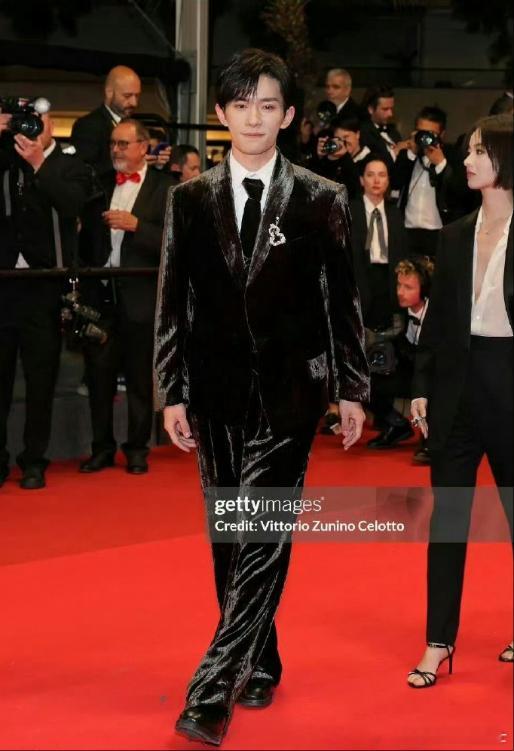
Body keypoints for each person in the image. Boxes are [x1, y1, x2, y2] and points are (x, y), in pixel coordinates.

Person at [154, 48, 369, 745]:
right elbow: (173, 301)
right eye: (242, 104)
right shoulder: (188, 199)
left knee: (263, 535)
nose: (254, 117)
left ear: (289, 115)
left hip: (290, 391)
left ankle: (212, 689)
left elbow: (343, 300)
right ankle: (261, 656)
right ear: (221, 113)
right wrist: (170, 389)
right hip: (213, 390)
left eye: (268, 105)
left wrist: (352, 387)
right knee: (231, 533)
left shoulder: (321, 197)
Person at [408, 113, 513, 688]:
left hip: (510, 389)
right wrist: (421, 386)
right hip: (455, 392)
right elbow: (437, 322)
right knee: (448, 519)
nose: (466, 160)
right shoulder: (453, 235)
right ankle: (438, 642)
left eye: (477, 151)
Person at [0, 109, 92, 489]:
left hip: (44, 288)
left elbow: (73, 205)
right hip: (4, 286)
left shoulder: (69, 165)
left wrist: (39, 163)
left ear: (52, 125)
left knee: (41, 381)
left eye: (39, 119)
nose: (30, 127)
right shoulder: (5, 158)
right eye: (23, 120)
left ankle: (34, 460)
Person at [79, 119, 176, 475]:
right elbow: (86, 241)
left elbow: (178, 241)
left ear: (143, 147)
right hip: (102, 297)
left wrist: (138, 227)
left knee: (139, 380)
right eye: (113, 143)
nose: (116, 150)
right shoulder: (100, 183)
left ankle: (137, 449)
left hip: (142, 298)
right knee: (99, 379)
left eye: (123, 144)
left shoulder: (166, 187)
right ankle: (101, 448)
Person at [392, 105, 472, 258]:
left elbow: (461, 192)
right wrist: (411, 153)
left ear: (442, 134)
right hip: (407, 230)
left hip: (438, 231)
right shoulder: (407, 155)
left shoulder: (453, 156)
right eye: (421, 132)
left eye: (431, 134)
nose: (425, 138)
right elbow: (395, 182)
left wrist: (441, 164)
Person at [315, 115, 371, 199]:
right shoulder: (334, 158)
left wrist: (345, 157)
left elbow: (354, 191)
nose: (342, 142)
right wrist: (320, 158)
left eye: (346, 137)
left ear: (357, 134)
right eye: (338, 139)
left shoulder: (371, 159)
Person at [359, 84, 402, 173]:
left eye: (391, 109)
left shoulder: (393, 131)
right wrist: (395, 152)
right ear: (371, 109)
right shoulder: (362, 133)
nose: (390, 114)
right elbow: (370, 166)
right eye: (385, 109)